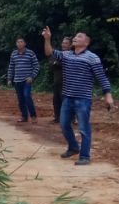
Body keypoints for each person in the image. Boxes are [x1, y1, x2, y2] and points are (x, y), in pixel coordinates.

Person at [42, 27, 114, 165]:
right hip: (67, 97)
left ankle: (85, 156)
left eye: (79, 36)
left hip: (83, 99)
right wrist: (47, 39)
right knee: (64, 125)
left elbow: (101, 77)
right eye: (75, 36)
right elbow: (49, 53)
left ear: (86, 42)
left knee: (83, 128)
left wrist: (108, 95)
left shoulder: (92, 58)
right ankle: (74, 147)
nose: (75, 38)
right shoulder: (67, 55)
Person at [6, 37, 40, 124]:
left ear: (25, 44)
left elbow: (36, 66)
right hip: (17, 80)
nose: (19, 43)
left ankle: (33, 116)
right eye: (18, 42)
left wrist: (32, 77)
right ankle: (24, 116)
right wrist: (9, 79)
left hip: (27, 81)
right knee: (20, 99)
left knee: (27, 96)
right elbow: (11, 67)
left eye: (21, 42)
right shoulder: (14, 54)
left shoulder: (30, 53)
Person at [48, 36, 73, 123]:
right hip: (57, 81)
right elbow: (51, 64)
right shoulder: (58, 54)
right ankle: (57, 118)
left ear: (70, 45)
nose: (63, 45)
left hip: (67, 82)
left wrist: (57, 63)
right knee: (56, 100)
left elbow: (58, 64)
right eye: (63, 43)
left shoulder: (72, 55)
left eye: (66, 43)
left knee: (65, 100)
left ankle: (70, 118)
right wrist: (57, 63)